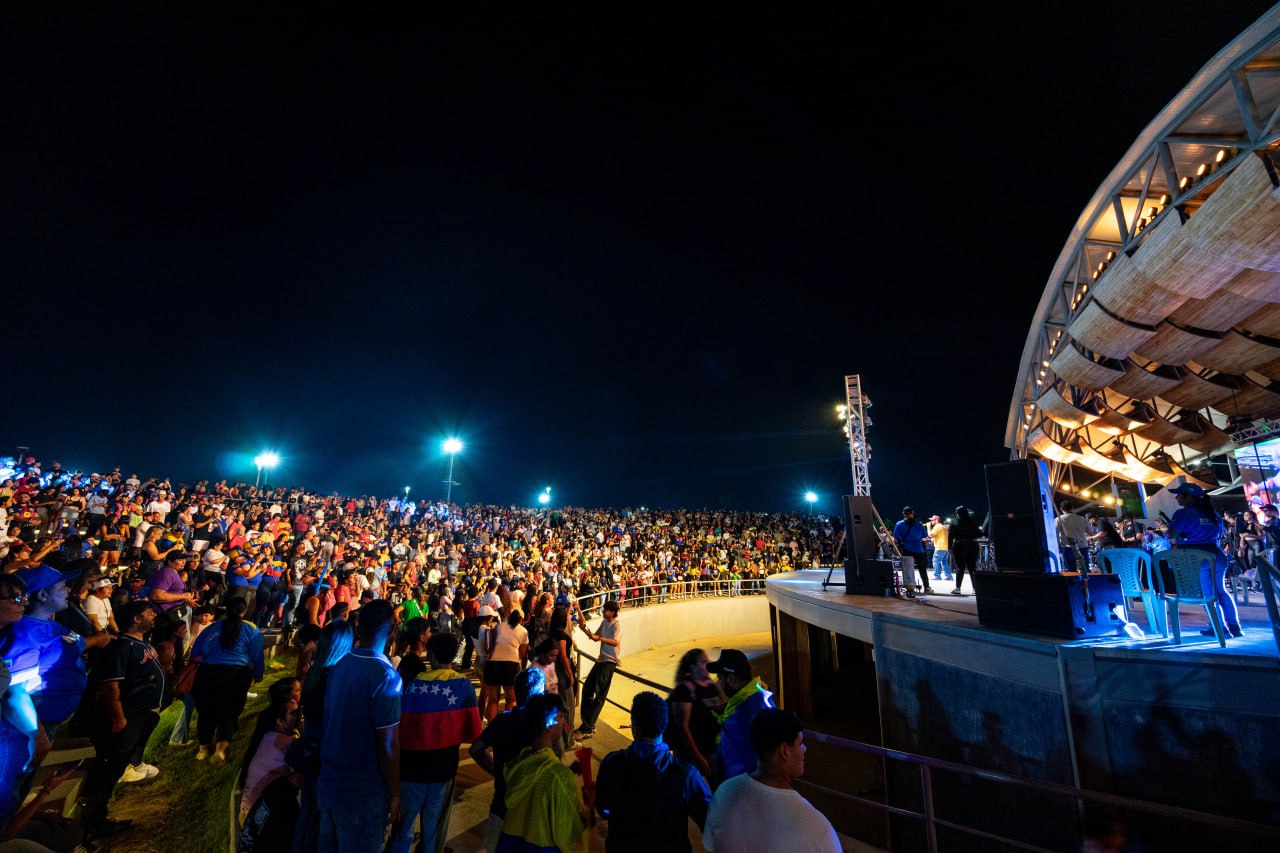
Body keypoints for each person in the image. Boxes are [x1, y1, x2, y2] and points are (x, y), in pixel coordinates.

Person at [315, 598, 402, 852]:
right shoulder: (386, 677)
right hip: (361, 794)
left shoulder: (341, 664)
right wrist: (395, 793)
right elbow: (387, 745)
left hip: (330, 782)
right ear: (390, 630)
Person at [78, 601, 165, 841]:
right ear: (136, 618)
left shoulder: (140, 642)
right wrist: (118, 719)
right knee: (108, 767)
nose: (154, 615)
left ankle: (98, 817)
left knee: (116, 766)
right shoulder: (122, 646)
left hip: (138, 715)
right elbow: (110, 685)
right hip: (125, 717)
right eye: (149, 613)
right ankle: (92, 823)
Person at [388, 632, 483, 853]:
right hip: (443, 768)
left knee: (403, 828)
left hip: (410, 769)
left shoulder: (411, 686)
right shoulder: (464, 686)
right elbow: (473, 732)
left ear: (430, 654)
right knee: (433, 829)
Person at [702, 709, 839, 853]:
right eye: (800, 743)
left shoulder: (724, 792)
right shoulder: (817, 828)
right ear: (784, 751)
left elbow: (710, 847)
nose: (804, 749)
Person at [596, 691, 711, 852]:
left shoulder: (611, 764)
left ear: (635, 730)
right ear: (664, 726)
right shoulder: (687, 775)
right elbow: (710, 825)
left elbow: (604, 810)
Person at [495, 692, 586, 853]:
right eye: (560, 718)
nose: (563, 722)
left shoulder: (518, 765)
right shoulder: (558, 777)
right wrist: (586, 810)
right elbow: (568, 835)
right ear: (549, 725)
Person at [469, 668, 546, 853]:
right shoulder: (541, 728)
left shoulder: (502, 721)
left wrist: (496, 771)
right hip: (531, 810)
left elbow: (475, 749)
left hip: (502, 804)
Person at [191, 596, 265, 764]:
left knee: (207, 711)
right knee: (229, 712)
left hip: (209, 673)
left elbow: (198, 650)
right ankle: (220, 750)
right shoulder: (251, 630)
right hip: (237, 675)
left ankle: (203, 749)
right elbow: (256, 654)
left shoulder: (212, 628)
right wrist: (258, 672)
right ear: (244, 611)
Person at [1165, 482, 1243, 638]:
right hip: (1217, 553)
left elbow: (1170, 535)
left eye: (1180, 495)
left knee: (1208, 593)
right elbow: (1220, 535)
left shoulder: (1182, 513)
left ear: (1189, 497)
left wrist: (1179, 534)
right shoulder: (1213, 513)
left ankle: (1218, 627)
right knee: (1221, 591)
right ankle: (1234, 627)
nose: (1177, 498)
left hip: (1197, 556)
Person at [708, 648, 773, 785]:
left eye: (720, 678)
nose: (719, 683)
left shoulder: (741, 713)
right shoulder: (760, 694)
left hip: (742, 787)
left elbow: (727, 753)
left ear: (731, 679)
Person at [666, 648, 725, 780]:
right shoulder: (685, 691)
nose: (708, 665)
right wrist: (698, 757)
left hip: (713, 754)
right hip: (693, 758)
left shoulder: (710, 685)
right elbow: (683, 728)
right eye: (703, 662)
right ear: (693, 667)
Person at [575, 599, 621, 739]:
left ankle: (589, 726)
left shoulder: (616, 625)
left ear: (612, 612)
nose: (603, 611)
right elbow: (594, 637)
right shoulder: (604, 622)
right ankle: (587, 723)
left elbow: (615, 641)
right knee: (588, 689)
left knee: (599, 695)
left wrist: (600, 638)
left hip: (609, 662)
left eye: (606, 609)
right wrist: (585, 629)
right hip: (601, 660)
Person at [484, 609, 529, 722]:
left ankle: (491, 729)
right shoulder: (523, 631)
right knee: (510, 700)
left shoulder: (499, 626)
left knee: (493, 700)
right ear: (521, 620)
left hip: (492, 664)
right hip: (510, 665)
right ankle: (505, 728)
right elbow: (523, 654)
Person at [893, 506, 931, 596]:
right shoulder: (919, 524)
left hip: (906, 549)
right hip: (919, 549)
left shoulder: (899, 524)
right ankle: (926, 587)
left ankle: (909, 588)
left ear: (903, 514)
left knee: (907, 569)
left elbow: (896, 537)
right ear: (912, 513)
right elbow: (924, 537)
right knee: (922, 569)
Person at [948, 506, 983, 595]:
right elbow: (980, 534)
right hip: (973, 545)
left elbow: (950, 536)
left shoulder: (955, 522)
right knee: (972, 568)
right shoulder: (972, 522)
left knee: (960, 567)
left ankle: (958, 588)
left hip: (960, 545)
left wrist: (950, 547)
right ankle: (975, 589)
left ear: (957, 513)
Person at [1056, 502, 1091, 572]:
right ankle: (1088, 582)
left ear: (1061, 509)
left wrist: (1058, 546)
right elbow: (1090, 533)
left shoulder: (1058, 519)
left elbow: (1056, 534)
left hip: (1068, 547)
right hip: (1083, 546)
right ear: (1072, 508)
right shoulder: (1082, 519)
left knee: (1070, 570)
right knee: (1085, 569)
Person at [927, 515, 952, 582]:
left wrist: (928, 528)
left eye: (932, 520)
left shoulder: (937, 526)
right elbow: (938, 536)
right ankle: (949, 576)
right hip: (945, 547)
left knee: (935, 561)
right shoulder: (942, 527)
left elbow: (930, 535)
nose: (931, 521)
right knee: (944, 562)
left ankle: (937, 576)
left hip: (940, 547)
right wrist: (934, 539)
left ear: (936, 520)